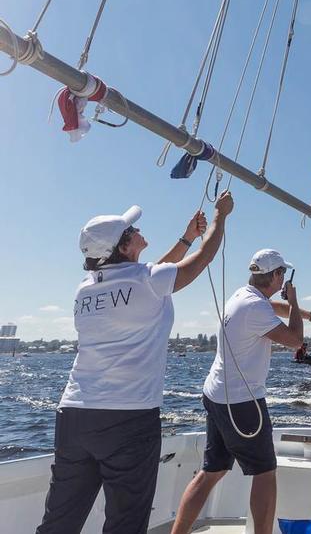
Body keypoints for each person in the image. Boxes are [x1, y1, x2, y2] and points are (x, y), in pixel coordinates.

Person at [36, 192, 233, 534]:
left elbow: (152, 274)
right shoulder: (146, 281)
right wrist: (221, 217)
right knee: (125, 523)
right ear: (125, 247)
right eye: (133, 229)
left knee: (59, 521)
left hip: (74, 415)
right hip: (128, 418)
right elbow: (201, 260)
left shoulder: (85, 289)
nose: (139, 229)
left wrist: (186, 237)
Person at [170, 249, 311, 534]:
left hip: (217, 394)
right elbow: (295, 341)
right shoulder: (256, 308)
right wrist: (294, 302)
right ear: (277, 275)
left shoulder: (244, 297)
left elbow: (273, 310)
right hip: (241, 403)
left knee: (213, 470)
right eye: (283, 275)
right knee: (265, 472)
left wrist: (310, 315)